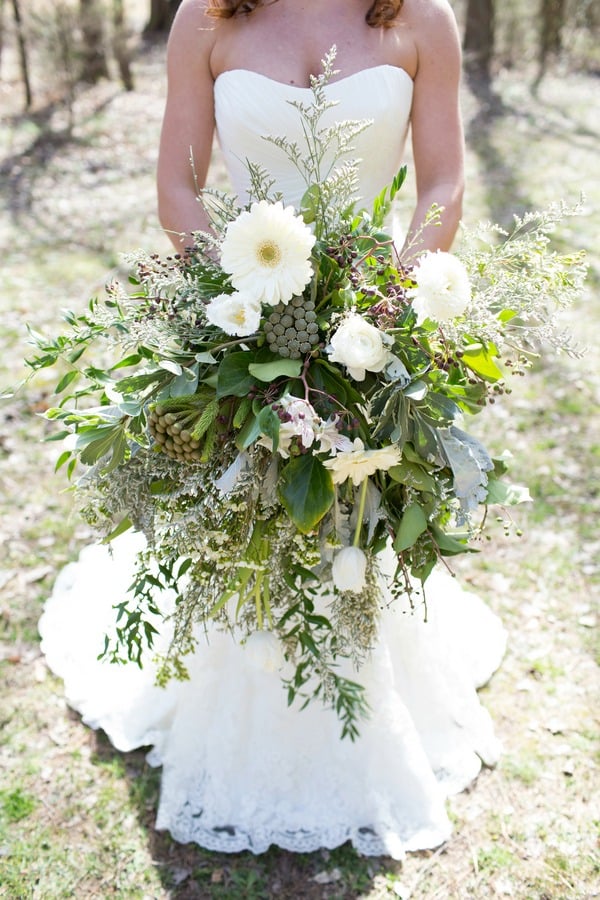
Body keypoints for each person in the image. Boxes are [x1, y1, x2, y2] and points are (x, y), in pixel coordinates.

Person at [39, 0, 506, 859]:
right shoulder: (208, 18)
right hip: (241, 313)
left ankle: (359, 706)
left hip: (369, 325)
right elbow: (179, 185)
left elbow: (442, 181)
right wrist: (234, 309)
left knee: (352, 507)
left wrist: (392, 301)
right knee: (255, 512)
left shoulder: (418, 18)